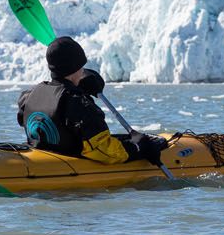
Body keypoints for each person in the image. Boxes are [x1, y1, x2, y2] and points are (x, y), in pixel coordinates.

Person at [17, 36, 167, 164]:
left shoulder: (29, 95)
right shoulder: (79, 104)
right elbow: (105, 152)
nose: (83, 70)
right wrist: (138, 148)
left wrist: (76, 87)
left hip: (43, 154)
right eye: (82, 66)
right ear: (76, 67)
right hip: (71, 162)